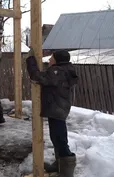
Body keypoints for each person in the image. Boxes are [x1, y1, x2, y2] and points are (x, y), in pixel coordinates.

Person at [26, 49, 78, 177]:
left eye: (52, 58)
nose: (49, 60)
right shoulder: (64, 70)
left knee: (60, 139)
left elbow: (37, 76)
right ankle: (59, 164)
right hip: (58, 108)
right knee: (57, 138)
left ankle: (66, 172)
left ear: (57, 60)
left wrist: (30, 60)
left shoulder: (58, 72)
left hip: (57, 109)